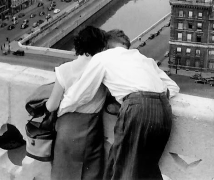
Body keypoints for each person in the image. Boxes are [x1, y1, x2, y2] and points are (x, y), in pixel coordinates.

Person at [59, 28, 180, 180]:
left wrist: (61, 109)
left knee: (122, 167)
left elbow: (81, 93)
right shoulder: (144, 59)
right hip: (163, 109)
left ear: (106, 46)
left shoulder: (102, 57)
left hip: (137, 108)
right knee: (147, 168)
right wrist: (151, 95)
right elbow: (174, 87)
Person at [45, 26, 108, 180]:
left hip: (66, 132)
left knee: (64, 174)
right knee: (90, 174)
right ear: (100, 47)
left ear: (77, 45)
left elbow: (51, 106)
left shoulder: (64, 70)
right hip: (91, 130)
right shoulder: (103, 71)